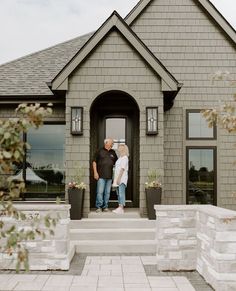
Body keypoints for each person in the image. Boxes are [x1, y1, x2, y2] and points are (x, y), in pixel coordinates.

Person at [92, 138, 118, 212]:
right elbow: (94, 162)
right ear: (106, 143)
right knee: (100, 192)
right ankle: (99, 207)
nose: (113, 144)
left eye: (113, 143)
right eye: (112, 143)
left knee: (107, 192)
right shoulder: (99, 151)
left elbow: (117, 163)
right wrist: (95, 172)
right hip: (100, 176)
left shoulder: (113, 152)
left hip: (109, 176)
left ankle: (105, 206)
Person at [112, 144, 129, 214]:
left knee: (121, 193)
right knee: (118, 194)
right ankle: (119, 207)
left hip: (122, 179)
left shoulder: (125, 158)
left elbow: (122, 169)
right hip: (117, 179)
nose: (118, 149)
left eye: (120, 148)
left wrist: (119, 179)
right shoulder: (120, 158)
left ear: (123, 149)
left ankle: (121, 208)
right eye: (119, 148)